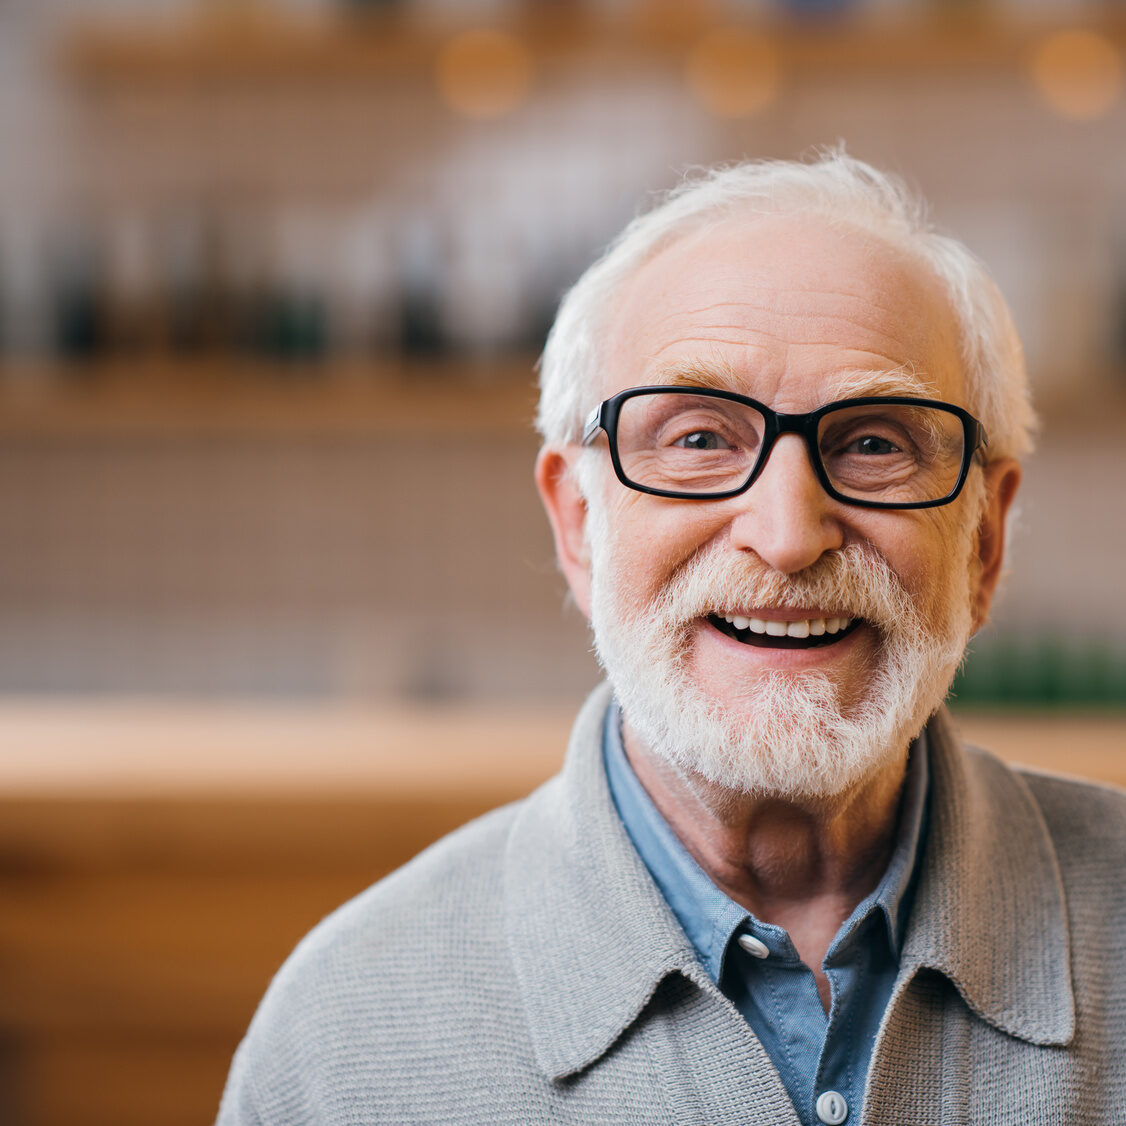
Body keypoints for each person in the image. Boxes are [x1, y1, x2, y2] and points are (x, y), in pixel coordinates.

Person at [217, 153, 1126, 1125]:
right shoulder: (344, 1037)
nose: (784, 535)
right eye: (698, 439)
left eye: (872, 442)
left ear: (983, 540)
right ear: (577, 523)